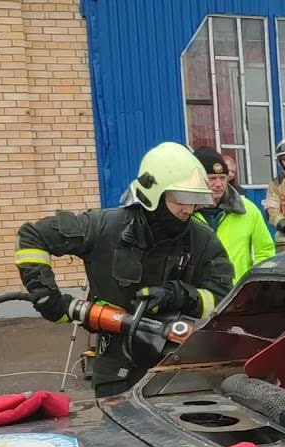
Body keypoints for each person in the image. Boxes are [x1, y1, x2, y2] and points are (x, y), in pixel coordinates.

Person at [15, 141, 234, 397]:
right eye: (181, 198)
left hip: (177, 367)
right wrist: (48, 298)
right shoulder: (103, 228)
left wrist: (178, 295)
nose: (189, 208)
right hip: (114, 367)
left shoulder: (201, 239)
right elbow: (32, 236)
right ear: (154, 195)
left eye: (195, 199)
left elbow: (223, 300)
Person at [191, 146, 275, 282]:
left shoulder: (248, 210)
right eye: (212, 178)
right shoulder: (185, 213)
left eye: (222, 178)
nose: (219, 184)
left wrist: (252, 284)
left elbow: (265, 251)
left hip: (238, 294)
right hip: (200, 295)